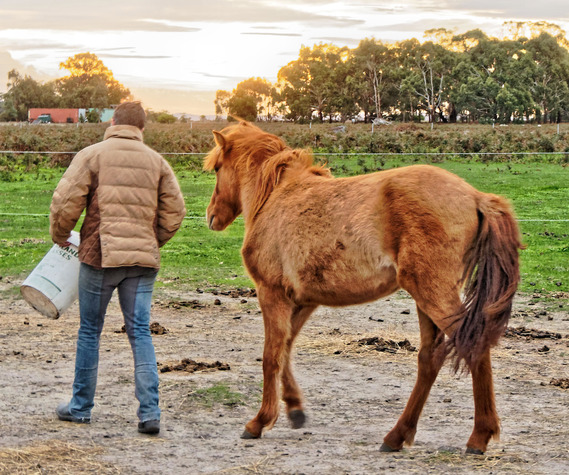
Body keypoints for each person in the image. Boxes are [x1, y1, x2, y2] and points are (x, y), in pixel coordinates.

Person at [49, 101, 186, 435]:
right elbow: (176, 211)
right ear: (142, 127)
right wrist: (151, 241)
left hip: (99, 258)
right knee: (140, 331)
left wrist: (60, 235)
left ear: (113, 121)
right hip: (141, 263)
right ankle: (149, 414)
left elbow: (65, 201)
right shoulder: (157, 162)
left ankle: (80, 408)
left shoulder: (92, 154)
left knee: (89, 331)